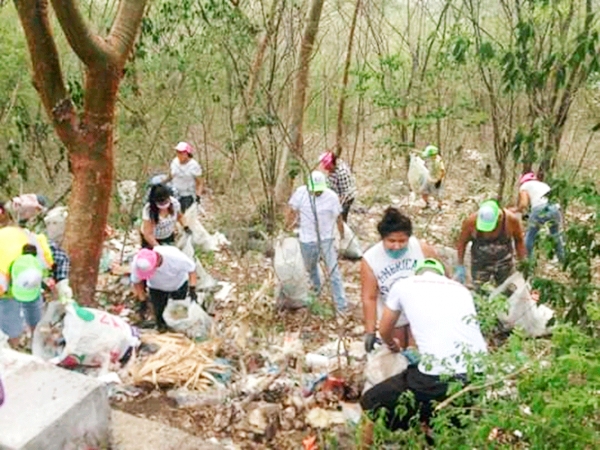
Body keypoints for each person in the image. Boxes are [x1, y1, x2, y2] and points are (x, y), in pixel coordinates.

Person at [360, 259, 488, 445]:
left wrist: (392, 345)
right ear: (443, 275)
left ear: (418, 274)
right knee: (445, 423)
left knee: (371, 403)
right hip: (477, 374)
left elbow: (385, 329)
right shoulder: (461, 290)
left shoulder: (404, 284)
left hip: (435, 377)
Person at [361, 207, 438, 352]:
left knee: (419, 350)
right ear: (382, 238)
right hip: (392, 312)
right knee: (398, 351)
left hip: (420, 308)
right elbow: (369, 297)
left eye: (402, 241)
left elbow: (440, 278)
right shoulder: (370, 259)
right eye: (391, 241)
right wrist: (370, 331)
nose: (397, 246)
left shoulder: (422, 249)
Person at [286, 170, 347, 312]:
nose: (317, 194)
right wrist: (287, 228)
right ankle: (316, 294)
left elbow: (338, 217)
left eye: (320, 191)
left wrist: (342, 236)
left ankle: (341, 305)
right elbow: (292, 211)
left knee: (334, 273)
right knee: (310, 268)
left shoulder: (331, 197)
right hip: (307, 239)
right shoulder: (301, 194)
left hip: (326, 239)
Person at [0, 226, 54, 347]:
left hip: (17, 236)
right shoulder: (1, 279)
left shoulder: (43, 257)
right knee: (9, 318)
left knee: (33, 303)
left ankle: (37, 338)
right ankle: (11, 346)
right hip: (4, 281)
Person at [456, 199, 526, 289]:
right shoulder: (471, 222)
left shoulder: (510, 220)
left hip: (504, 262)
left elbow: (519, 240)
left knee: (507, 291)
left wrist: (522, 262)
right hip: (480, 262)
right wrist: (460, 265)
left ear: (499, 218)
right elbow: (462, 242)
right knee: (479, 293)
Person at [131, 246, 197, 332]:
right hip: (156, 287)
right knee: (159, 311)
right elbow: (137, 281)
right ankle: (161, 327)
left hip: (177, 284)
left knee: (178, 310)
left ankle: (178, 329)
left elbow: (192, 269)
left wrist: (192, 288)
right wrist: (142, 300)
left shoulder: (175, 258)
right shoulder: (138, 262)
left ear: (157, 261)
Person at [517, 172, 565, 263]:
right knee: (555, 235)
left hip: (539, 209)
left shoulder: (524, 186)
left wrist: (517, 210)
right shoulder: (544, 185)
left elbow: (524, 203)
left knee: (530, 235)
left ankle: (527, 262)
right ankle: (562, 259)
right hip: (555, 208)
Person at [140, 184, 189, 249]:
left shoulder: (174, 203)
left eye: (165, 202)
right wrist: (159, 247)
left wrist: (186, 227)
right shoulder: (148, 210)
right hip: (151, 239)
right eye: (161, 203)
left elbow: (180, 216)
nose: (164, 206)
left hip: (168, 235)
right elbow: (148, 234)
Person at [318, 151, 357, 222]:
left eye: (328, 167)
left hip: (346, 199)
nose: (326, 169)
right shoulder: (332, 171)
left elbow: (344, 194)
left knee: (340, 219)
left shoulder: (342, 172)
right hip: (335, 193)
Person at [167, 141, 203, 213]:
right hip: (174, 193)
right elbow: (170, 176)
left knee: (184, 215)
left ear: (187, 153)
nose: (179, 154)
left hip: (187, 195)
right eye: (178, 152)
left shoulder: (194, 165)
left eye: (181, 152)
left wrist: (198, 197)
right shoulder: (175, 162)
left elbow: (199, 183)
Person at [421, 145, 445, 210]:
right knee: (423, 191)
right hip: (429, 178)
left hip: (436, 180)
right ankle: (427, 204)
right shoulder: (430, 159)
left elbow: (442, 171)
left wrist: (438, 180)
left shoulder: (438, 162)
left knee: (437, 195)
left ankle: (439, 207)